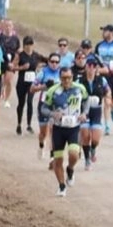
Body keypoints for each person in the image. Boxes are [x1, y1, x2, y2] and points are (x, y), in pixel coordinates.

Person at [41, 66, 89, 197]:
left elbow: (86, 101)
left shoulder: (80, 89)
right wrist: (52, 113)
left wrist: (84, 113)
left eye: (69, 78)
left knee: (74, 155)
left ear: (72, 77)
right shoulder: (53, 91)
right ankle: (62, 186)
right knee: (58, 159)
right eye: (64, 78)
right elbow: (43, 108)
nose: (66, 80)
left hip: (74, 128)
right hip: (58, 129)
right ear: (60, 78)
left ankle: (70, 169)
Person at [76, 58, 111, 169]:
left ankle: (93, 149)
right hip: (84, 111)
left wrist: (108, 98)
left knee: (95, 138)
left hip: (96, 111)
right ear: (86, 67)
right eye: (89, 65)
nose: (91, 68)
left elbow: (107, 90)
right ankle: (87, 159)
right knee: (85, 136)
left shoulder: (101, 80)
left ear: (96, 68)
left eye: (94, 66)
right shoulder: (79, 81)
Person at [10, 36, 41, 134]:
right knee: (21, 103)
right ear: (24, 46)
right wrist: (22, 67)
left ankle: (29, 125)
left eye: (30, 44)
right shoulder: (20, 55)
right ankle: (19, 124)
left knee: (30, 102)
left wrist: (40, 67)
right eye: (27, 45)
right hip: (22, 83)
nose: (29, 47)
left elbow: (47, 61)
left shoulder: (36, 55)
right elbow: (13, 68)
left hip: (32, 83)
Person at [0, 19, 20, 106]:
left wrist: (14, 62)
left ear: (12, 27)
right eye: (6, 25)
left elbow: (18, 50)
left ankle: (6, 99)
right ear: (2, 26)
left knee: (9, 80)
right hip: (1, 61)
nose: (8, 27)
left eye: (10, 25)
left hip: (11, 62)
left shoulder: (15, 38)